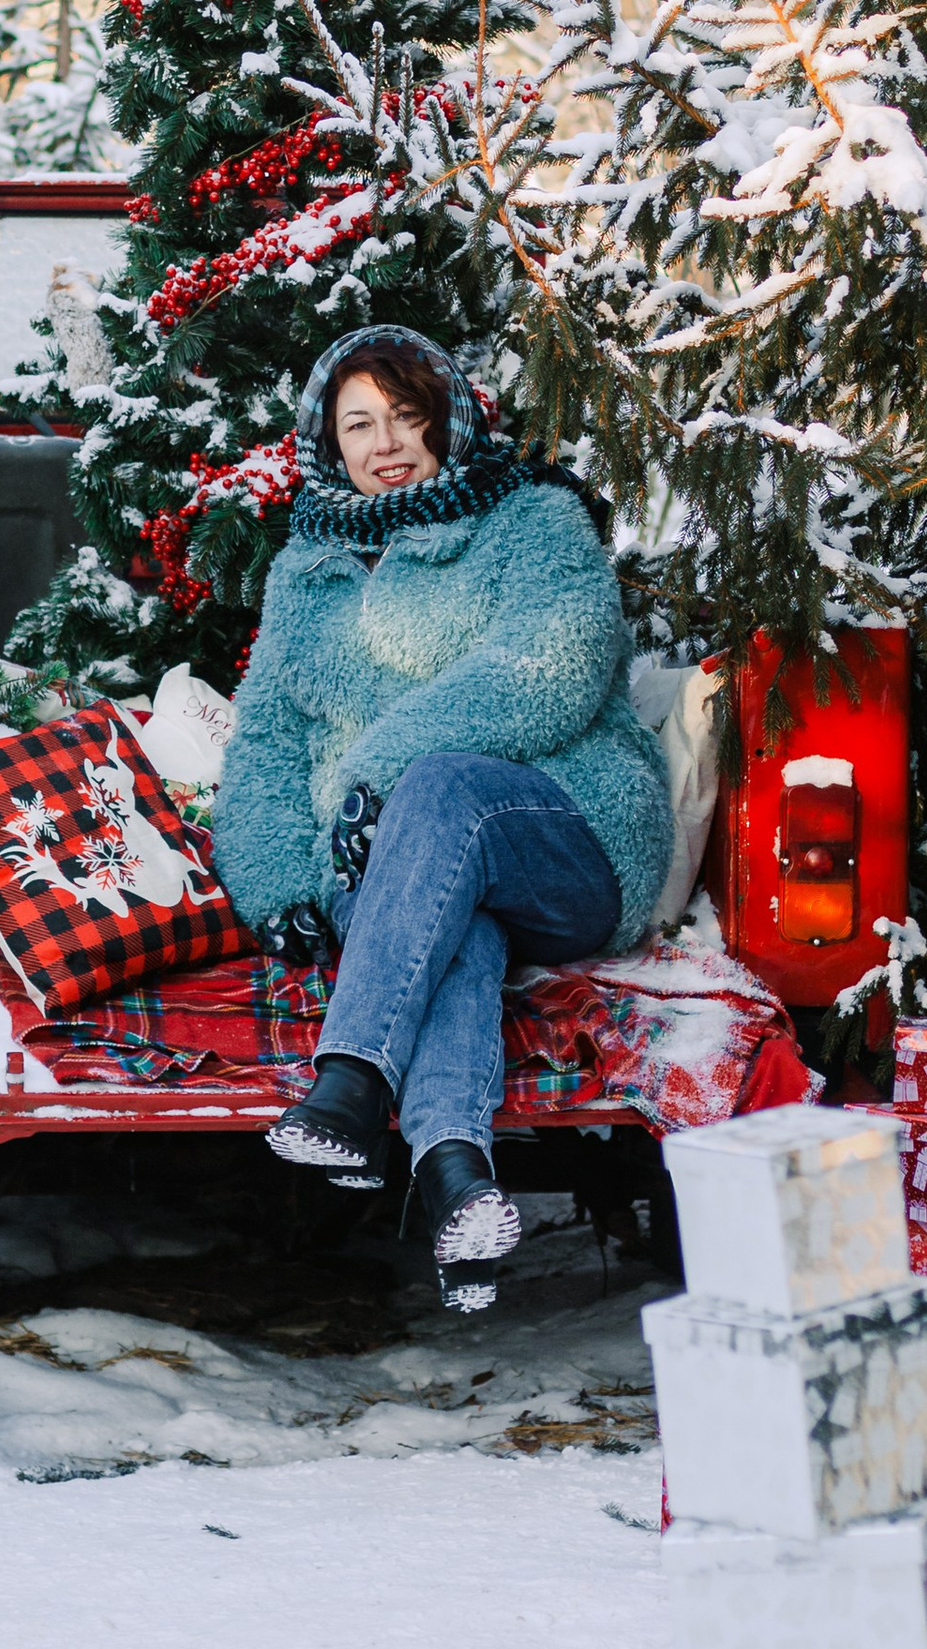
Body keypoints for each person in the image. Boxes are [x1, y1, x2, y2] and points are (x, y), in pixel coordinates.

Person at [212, 324, 672, 1311]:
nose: (385, 443)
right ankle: (456, 1179)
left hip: (563, 833)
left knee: (436, 793)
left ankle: (351, 1081)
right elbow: (264, 743)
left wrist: (383, 769)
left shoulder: (531, 521)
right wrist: (279, 883)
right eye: (358, 424)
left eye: (406, 415)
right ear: (327, 443)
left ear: (448, 420)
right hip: (395, 866)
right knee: (449, 918)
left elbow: (551, 666)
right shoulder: (304, 575)